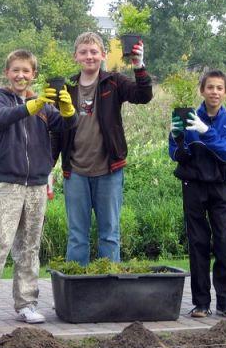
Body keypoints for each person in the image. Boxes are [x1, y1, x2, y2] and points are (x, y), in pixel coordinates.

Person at [0, 49, 77, 328]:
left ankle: (26, 304)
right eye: (15, 70)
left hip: (37, 184)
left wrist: (68, 110)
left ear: (34, 74)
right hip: (7, 183)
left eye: (26, 71)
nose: (20, 75)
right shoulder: (1, 98)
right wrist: (29, 108)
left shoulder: (44, 105)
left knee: (29, 247)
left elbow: (68, 127)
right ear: (7, 73)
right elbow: (1, 119)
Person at [52, 32, 153, 266]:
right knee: (77, 236)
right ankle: (77, 293)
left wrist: (139, 65)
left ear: (103, 55)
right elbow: (56, 131)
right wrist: (49, 167)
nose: (89, 56)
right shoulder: (67, 87)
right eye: (84, 52)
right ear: (75, 56)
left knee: (109, 234)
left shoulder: (114, 82)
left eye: (94, 52)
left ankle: (110, 289)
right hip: (75, 171)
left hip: (109, 170)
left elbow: (143, 96)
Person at [168, 69, 226, 318]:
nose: (214, 92)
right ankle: (201, 303)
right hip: (194, 186)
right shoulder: (189, 117)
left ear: (225, 92)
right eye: (210, 87)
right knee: (198, 243)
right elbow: (177, 154)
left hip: (221, 188)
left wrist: (206, 132)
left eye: (219, 88)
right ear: (202, 90)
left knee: (225, 243)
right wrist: (177, 136)